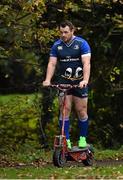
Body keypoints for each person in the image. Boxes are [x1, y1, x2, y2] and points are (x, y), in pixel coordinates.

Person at [43, 20, 91, 149]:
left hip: (79, 82)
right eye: (61, 32)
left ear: (72, 31)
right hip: (63, 81)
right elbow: (52, 63)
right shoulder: (56, 45)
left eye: (66, 32)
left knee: (82, 110)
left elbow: (86, 63)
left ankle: (82, 139)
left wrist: (85, 80)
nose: (63, 35)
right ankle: (66, 141)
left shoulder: (82, 44)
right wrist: (48, 79)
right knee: (64, 110)